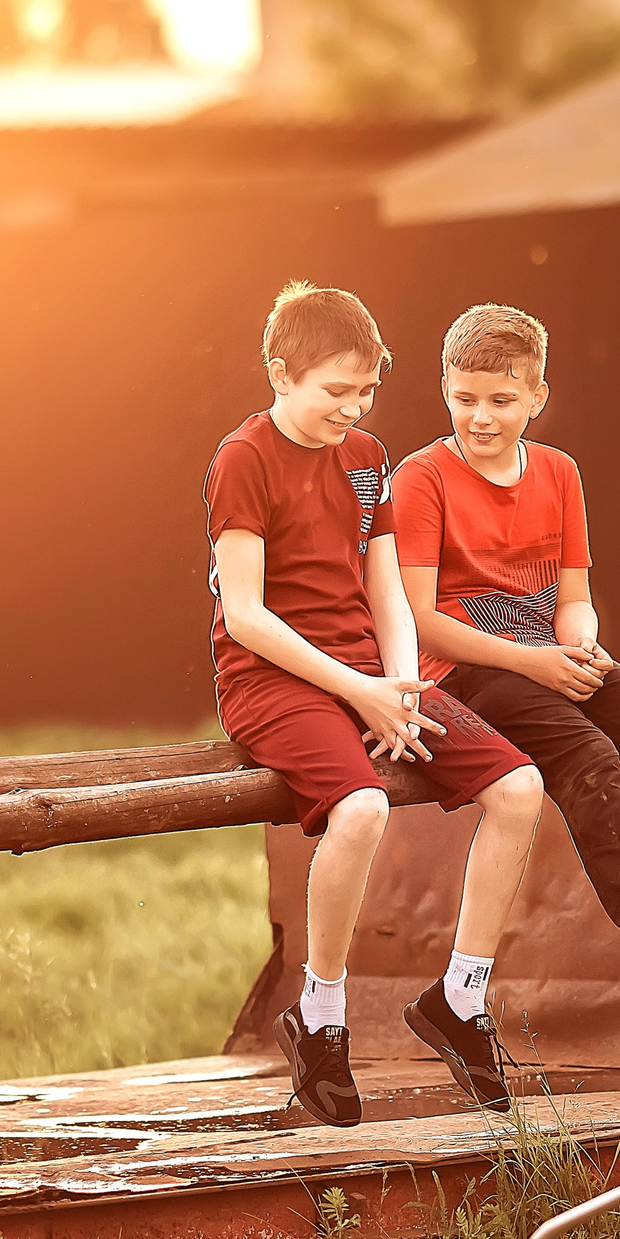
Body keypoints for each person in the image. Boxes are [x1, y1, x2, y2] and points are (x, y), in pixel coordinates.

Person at [390, 302, 620, 1067]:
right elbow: (421, 620)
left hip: (548, 656)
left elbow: (573, 596)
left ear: (537, 396)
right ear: (444, 388)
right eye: (464, 398)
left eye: (501, 400)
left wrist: (581, 639)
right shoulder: (422, 477)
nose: (481, 416)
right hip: (465, 673)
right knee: (590, 759)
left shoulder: (559, 473)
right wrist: (535, 662)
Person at [204, 283, 547, 1126]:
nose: (353, 408)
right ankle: (320, 1017)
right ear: (280, 373)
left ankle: (460, 1000)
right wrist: (356, 690)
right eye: (335, 390)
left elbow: (385, 587)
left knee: (520, 788)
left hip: (368, 673)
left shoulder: (366, 455)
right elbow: (245, 615)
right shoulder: (243, 458)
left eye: (365, 390)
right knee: (361, 808)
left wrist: (398, 685)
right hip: (270, 679)